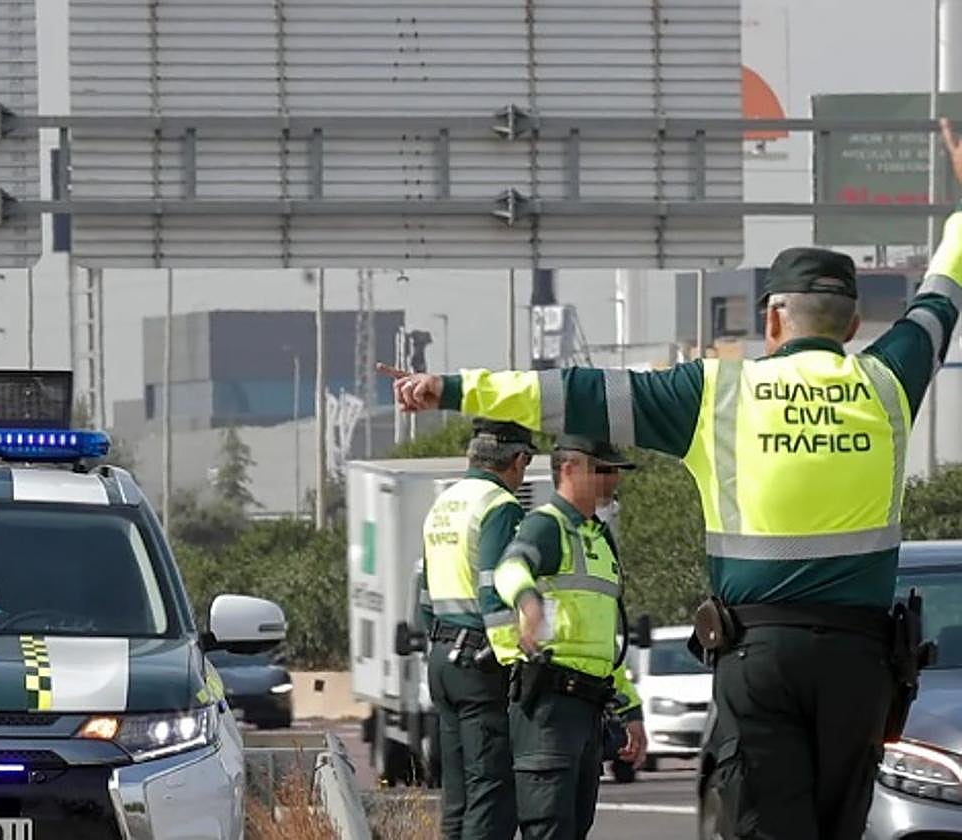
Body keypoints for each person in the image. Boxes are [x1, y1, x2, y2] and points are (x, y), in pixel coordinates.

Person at [381, 119, 962, 840]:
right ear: (850, 325)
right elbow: (941, 296)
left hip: (760, 661)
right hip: (861, 664)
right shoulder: (889, 381)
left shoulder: (715, 395)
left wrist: (450, 388)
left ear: (773, 318)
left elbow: (575, 392)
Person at [493, 435, 646, 840]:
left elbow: (605, 642)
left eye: (615, 471)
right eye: (603, 470)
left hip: (590, 709)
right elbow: (510, 567)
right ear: (569, 469)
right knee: (549, 829)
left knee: (575, 830)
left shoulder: (600, 538)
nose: (612, 480)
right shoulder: (547, 525)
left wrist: (631, 711)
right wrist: (528, 604)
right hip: (550, 708)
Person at [416, 418, 536, 839]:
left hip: (442, 658)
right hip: (481, 664)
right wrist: (514, 657)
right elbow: (494, 586)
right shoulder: (499, 505)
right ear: (519, 460)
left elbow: (425, 597)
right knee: (491, 790)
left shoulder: (444, 505)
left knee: (458, 794)